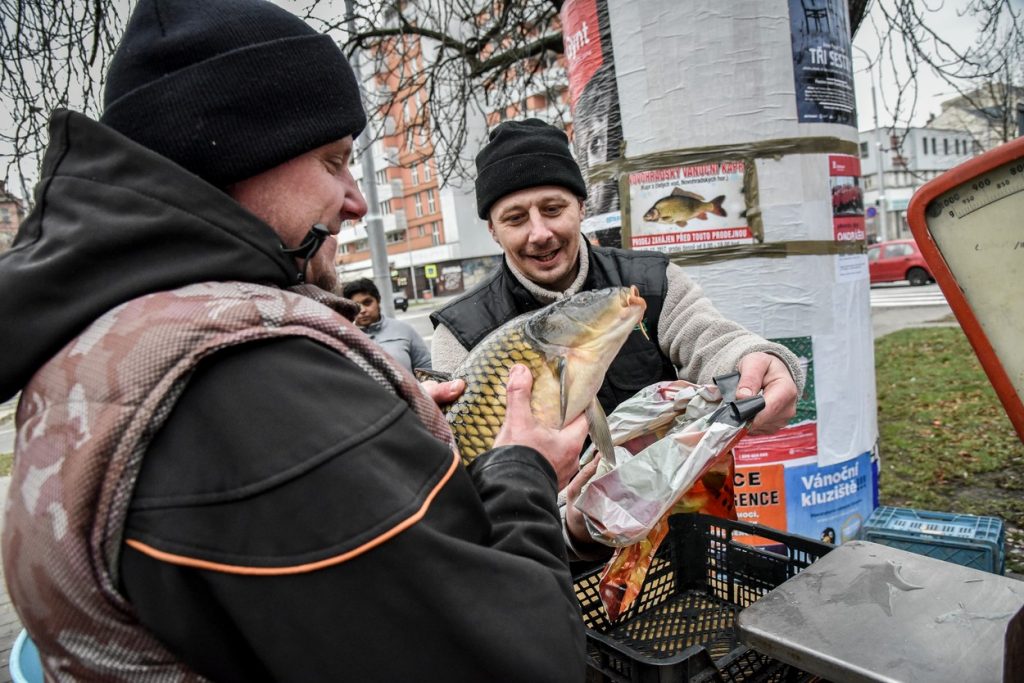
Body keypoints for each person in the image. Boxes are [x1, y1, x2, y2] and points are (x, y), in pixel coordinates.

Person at [0, 3, 590, 681]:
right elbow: (525, 661)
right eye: (334, 160)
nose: (356, 200)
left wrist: (374, 429)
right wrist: (524, 468)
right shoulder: (246, 382)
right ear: (243, 151)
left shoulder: (113, 329)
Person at [430, 119, 805, 559]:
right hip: (547, 559)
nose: (539, 233)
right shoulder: (458, 331)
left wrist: (758, 359)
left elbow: (707, 336)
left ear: (581, 206)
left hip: (670, 543)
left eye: (553, 209)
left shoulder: (649, 281)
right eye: (515, 218)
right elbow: (461, 478)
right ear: (493, 230)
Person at [342, 277, 432, 373]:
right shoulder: (344, 337)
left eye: (367, 303)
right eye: (356, 305)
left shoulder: (403, 330)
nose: (363, 310)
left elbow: (426, 367)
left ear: (378, 301)